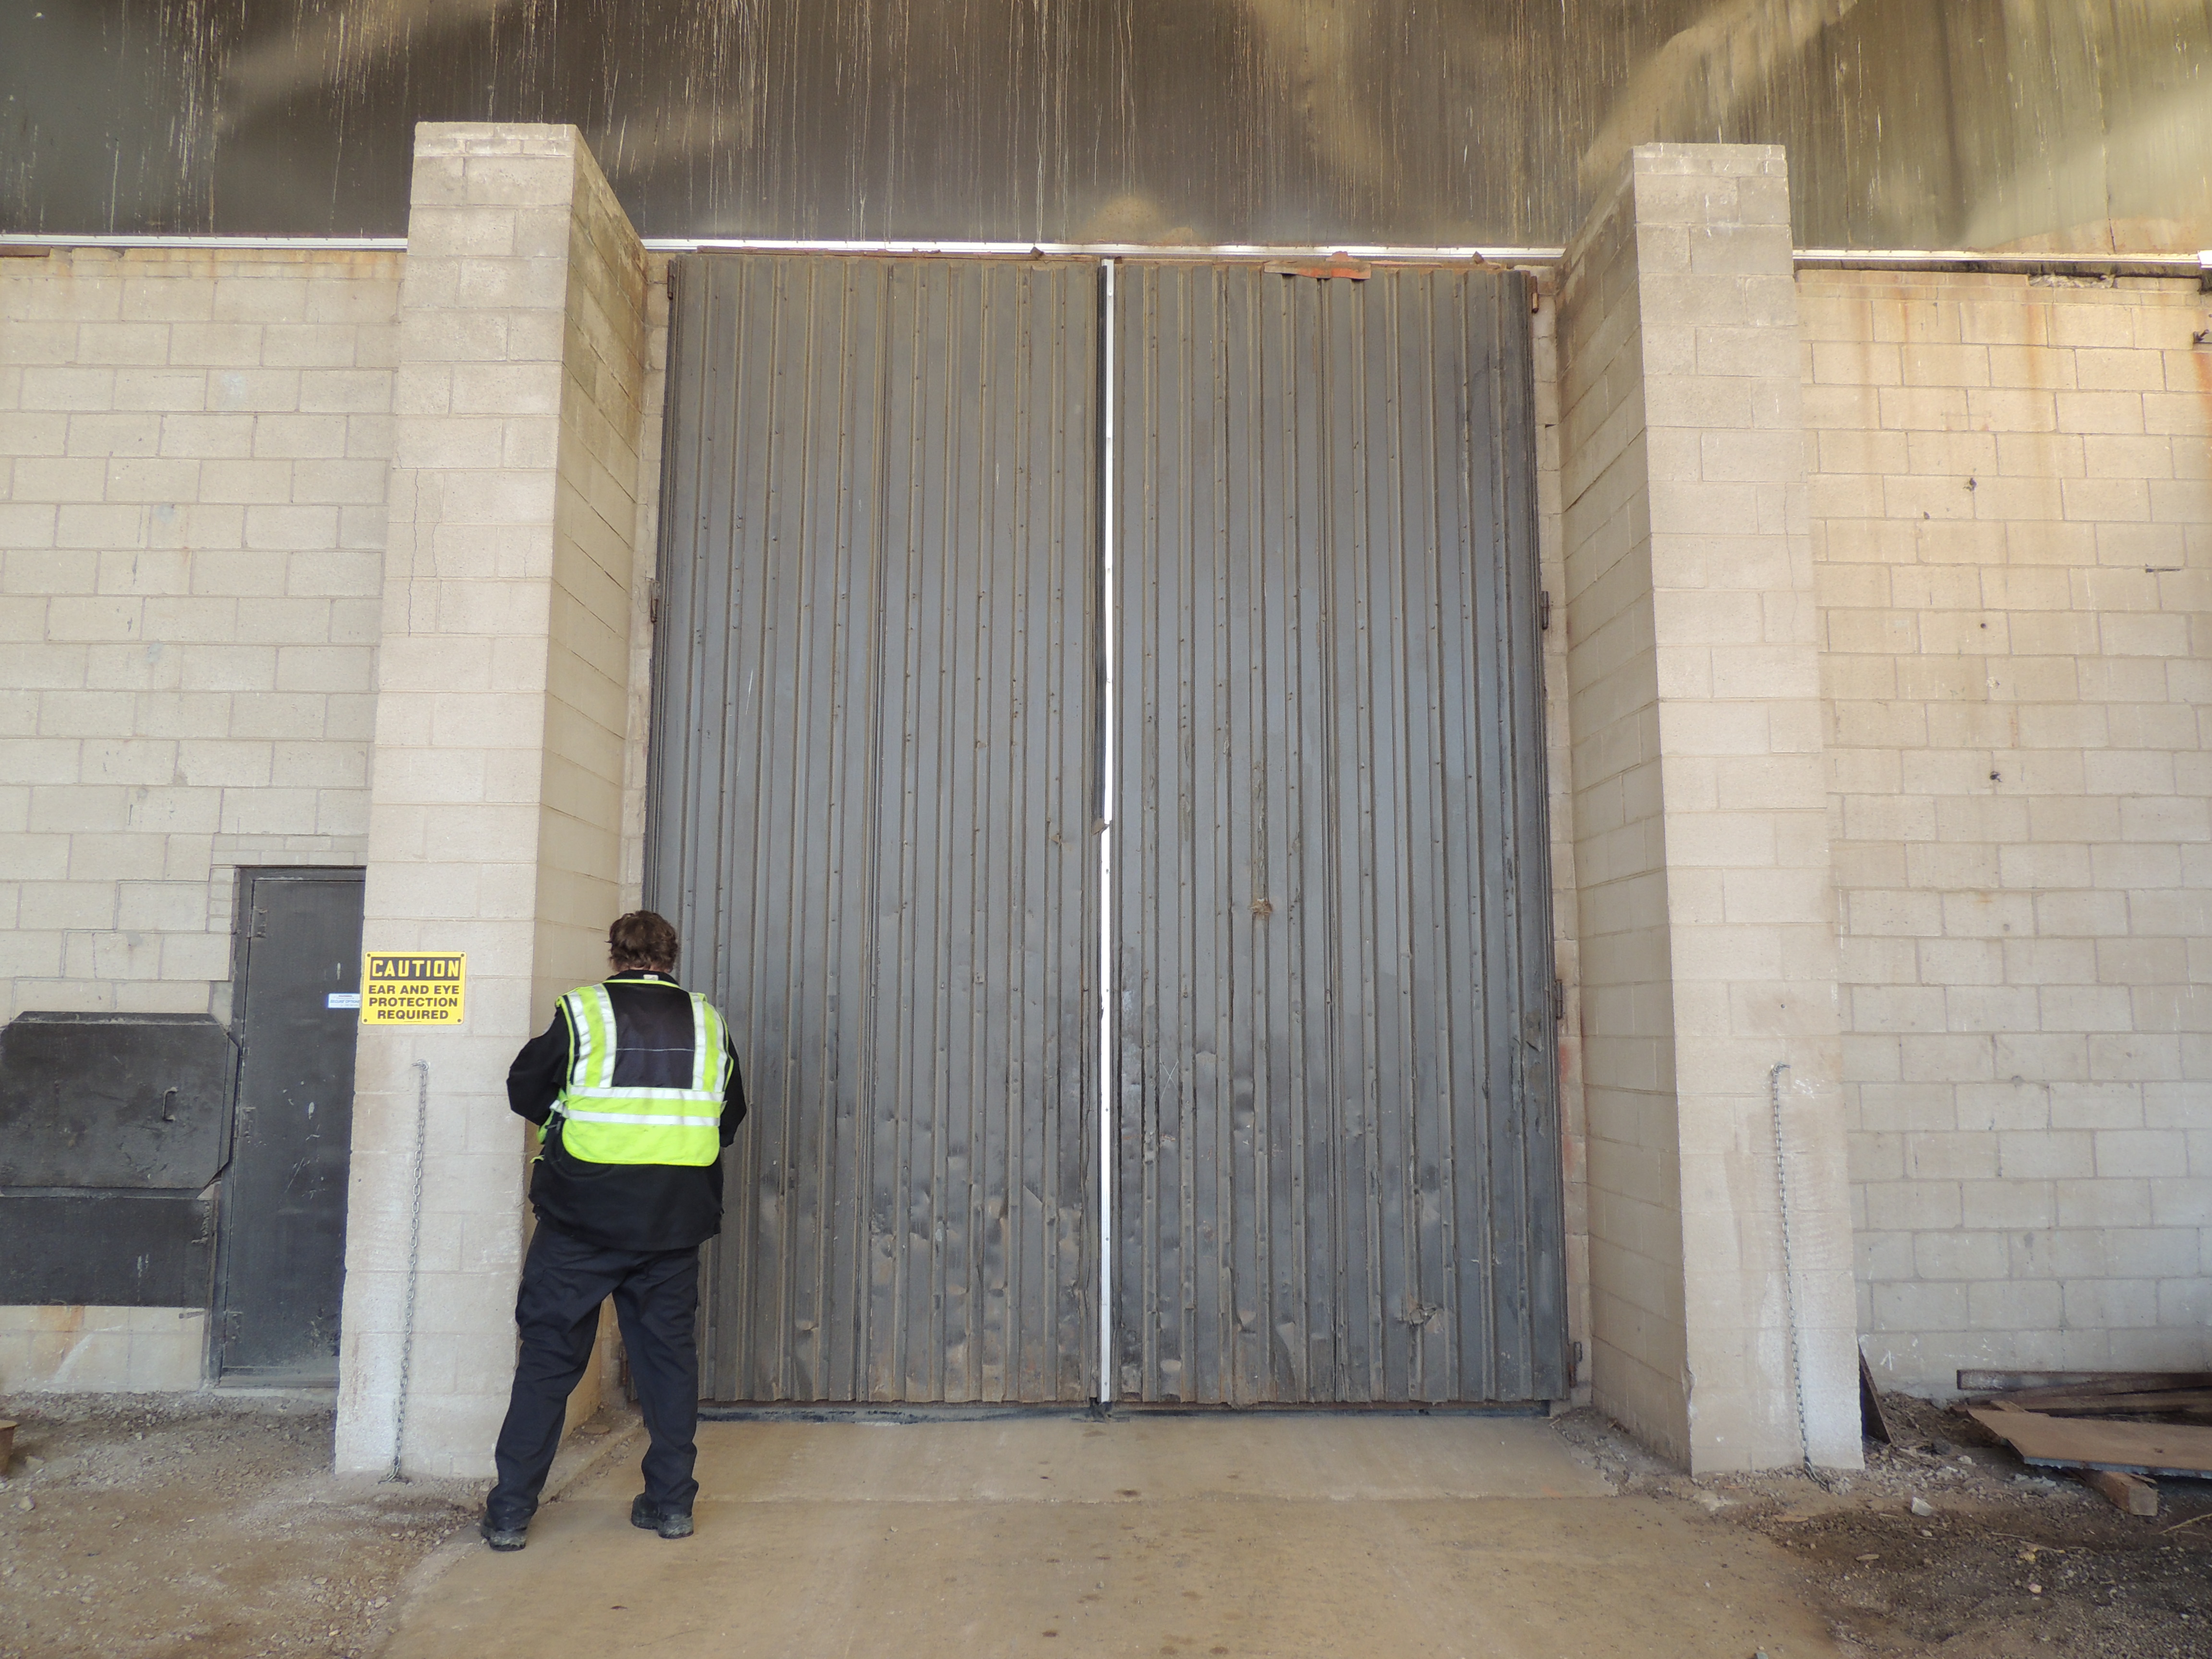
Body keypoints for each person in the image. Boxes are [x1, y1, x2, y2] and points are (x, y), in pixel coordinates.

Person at [479, 910, 746, 1551]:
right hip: (671, 1227)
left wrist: (566, 1128)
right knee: (666, 1366)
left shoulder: (582, 1014)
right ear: (671, 956)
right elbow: (728, 1118)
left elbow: (524, 1089)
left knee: (548, 1363)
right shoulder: (710, 1022)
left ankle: (512, 1512)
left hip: (581, 1222)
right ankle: (671, 1506)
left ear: (614, 955)